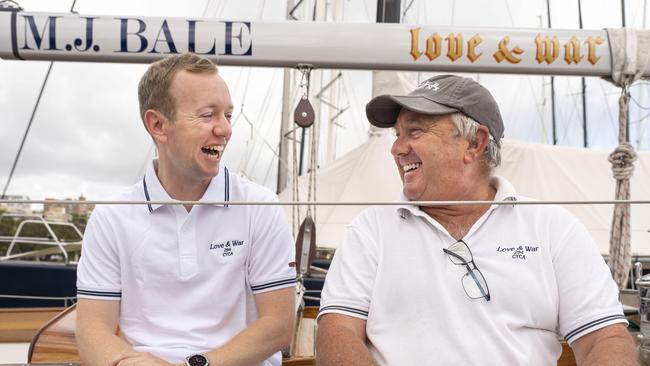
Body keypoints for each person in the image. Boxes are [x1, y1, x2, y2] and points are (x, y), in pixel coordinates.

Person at [316, 75, 637, 365]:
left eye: (414, 131)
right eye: (397, 134)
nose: (397, 148)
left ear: (474, 143)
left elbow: (604, 340)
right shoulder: (370, 231)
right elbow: (337, 333)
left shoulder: (553, 228)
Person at [75, 53, 296, 366]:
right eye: (208, 115)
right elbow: (91, 331)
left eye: (228, 115)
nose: (225, 130)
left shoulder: (260, 207)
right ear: (158, 125)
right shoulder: (112, 216)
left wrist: (194, 365)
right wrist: (124, 363)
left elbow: (278, 327)